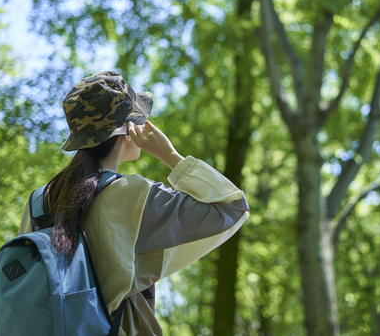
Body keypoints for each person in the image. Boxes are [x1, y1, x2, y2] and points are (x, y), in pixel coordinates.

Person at [16, 71, 250, 336]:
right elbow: (232, 207)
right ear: (128, 129)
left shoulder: (38, 201)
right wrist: (171, 156)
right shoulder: (133, 195)